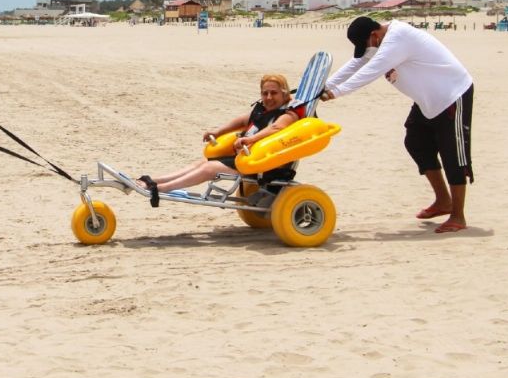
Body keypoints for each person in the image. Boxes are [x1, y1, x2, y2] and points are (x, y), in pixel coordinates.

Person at [321, 16, 474, 233]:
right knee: (416, 142)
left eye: (366, 45)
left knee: (453, 154)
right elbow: (357, 63)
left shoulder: (398, 37)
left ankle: (458, 216)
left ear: (374, 36)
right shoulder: (380, 42)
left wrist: (336, 92)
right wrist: (324, 86)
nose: (367, 49)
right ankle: (443, 201)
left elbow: (371, 70)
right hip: (427, 100)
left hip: (452, 94)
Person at [137, 74, 305, 206]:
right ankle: (154, 181)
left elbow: (277, 128)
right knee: (202, 163)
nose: (268, 97)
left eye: (273, 93)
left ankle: (159, 189)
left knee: (209, 168)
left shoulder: (289, 113)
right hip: (247, 156)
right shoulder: (265, 109)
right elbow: (242, 121)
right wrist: (218, 131)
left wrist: (251, 138)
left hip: (264, 164)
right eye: (265, 93)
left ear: (284, 94)